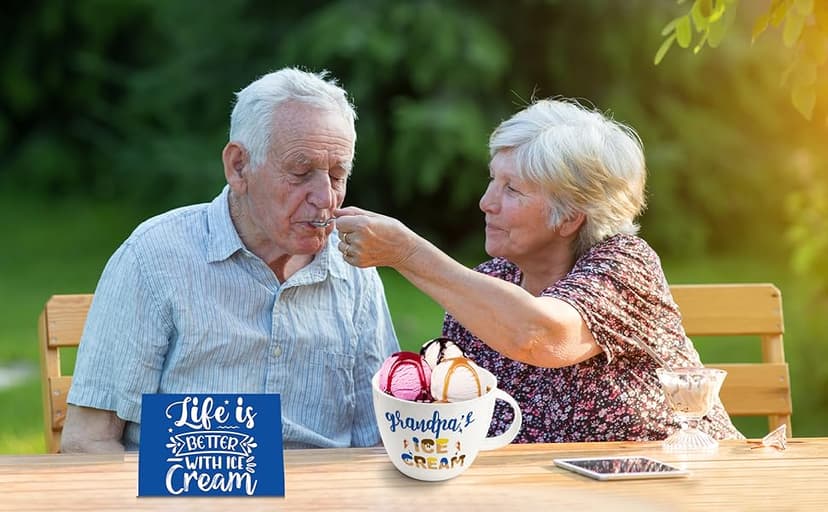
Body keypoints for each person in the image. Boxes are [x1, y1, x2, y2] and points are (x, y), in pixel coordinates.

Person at [333, 97, 743, 443]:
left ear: (570, 218)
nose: (485, 202)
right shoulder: (488, 285)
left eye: (511, 189)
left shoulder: (625, 264)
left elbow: (539, 335)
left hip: (675, 489)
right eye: (493, 180)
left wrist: (407, 252)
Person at [62, 67, 400, 452]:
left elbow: (380, 439)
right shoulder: (154, 258)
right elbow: (88, 441)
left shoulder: (354, 269)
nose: (325, 198)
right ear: (239, 166)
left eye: (337, 175)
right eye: (301, 172)